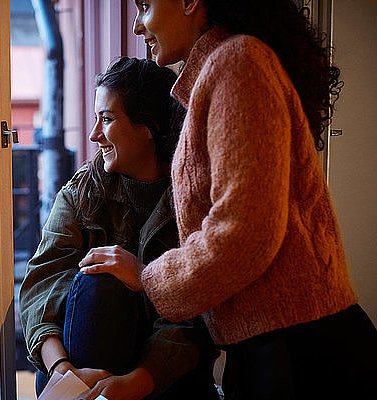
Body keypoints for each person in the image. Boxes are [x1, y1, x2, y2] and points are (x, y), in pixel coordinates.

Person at [79, 1, 377, 399]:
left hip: (299, 356)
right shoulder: (223, 70)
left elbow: (244, 234)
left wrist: (147, 276)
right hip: (274, 349)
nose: (137, 26)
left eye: (146, 6)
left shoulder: (239, 63)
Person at [19, 57, 219, 400]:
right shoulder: (83, 192)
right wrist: (61, 367)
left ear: (149, 127)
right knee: (100, 281)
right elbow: (41, 284)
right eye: (96, 118)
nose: (94, 134)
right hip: (76, 366)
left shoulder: (194, 201)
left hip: (163, 373)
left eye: (107, 119)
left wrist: (142, 379)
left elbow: (193, 313)